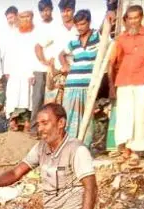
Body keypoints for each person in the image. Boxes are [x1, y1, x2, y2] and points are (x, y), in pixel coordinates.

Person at [109, 5, 144, 164]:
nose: (133, 22)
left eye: (135, 18)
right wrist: (112, 86)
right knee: (125, 116)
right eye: (130, 18)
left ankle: (136, 152)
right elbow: (113, 62)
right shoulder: (121, 38)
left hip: (143, 80)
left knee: (140, 115)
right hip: (124, 81)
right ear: (126, 20)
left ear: (141, 18)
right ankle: (125, 150)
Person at [59, 10, 100, 147]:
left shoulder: (98, 37)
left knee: (86, 117)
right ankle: (68, 145)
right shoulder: (73, 41)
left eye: (83, 24)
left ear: (89, 22)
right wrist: (65, 65)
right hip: (72, 84)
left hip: (88, 85)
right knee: (69, 117)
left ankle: (84, 147)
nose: (80, 27)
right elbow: (61, 54)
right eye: (78, 25)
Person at [4, 10, 40, 132]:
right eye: (23, 17)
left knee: (27, 96)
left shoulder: (34, 34)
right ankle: (13, 121)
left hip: (27, 70)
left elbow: (35, 54)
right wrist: (7, 70)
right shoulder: (13, 34)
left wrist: (32, 72)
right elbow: (7, 53)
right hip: (14, 70)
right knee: (13, 95)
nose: (25, 20)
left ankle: (26, 122)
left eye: (28, 17)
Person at [32, 0, 57, 134]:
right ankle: (34, 128)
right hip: (40, 67)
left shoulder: (57, 25)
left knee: (51, 101)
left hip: (55, 68)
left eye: (47, 10)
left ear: (52, 9)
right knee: (37, 99)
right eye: (42, 11)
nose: (45, 13)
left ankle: (50, 129)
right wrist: (43, 61)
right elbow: (37, 47)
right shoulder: (38, 28)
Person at [47, 0, 78, 103]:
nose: (65, 14)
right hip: (57, 73)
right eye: (63, 11)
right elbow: (40, 45)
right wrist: (49, 66)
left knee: (72, 103)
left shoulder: (79, 27)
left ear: (73, 10)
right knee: (54, 107)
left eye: (68, 10)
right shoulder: (55, 28)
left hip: (74, 71)